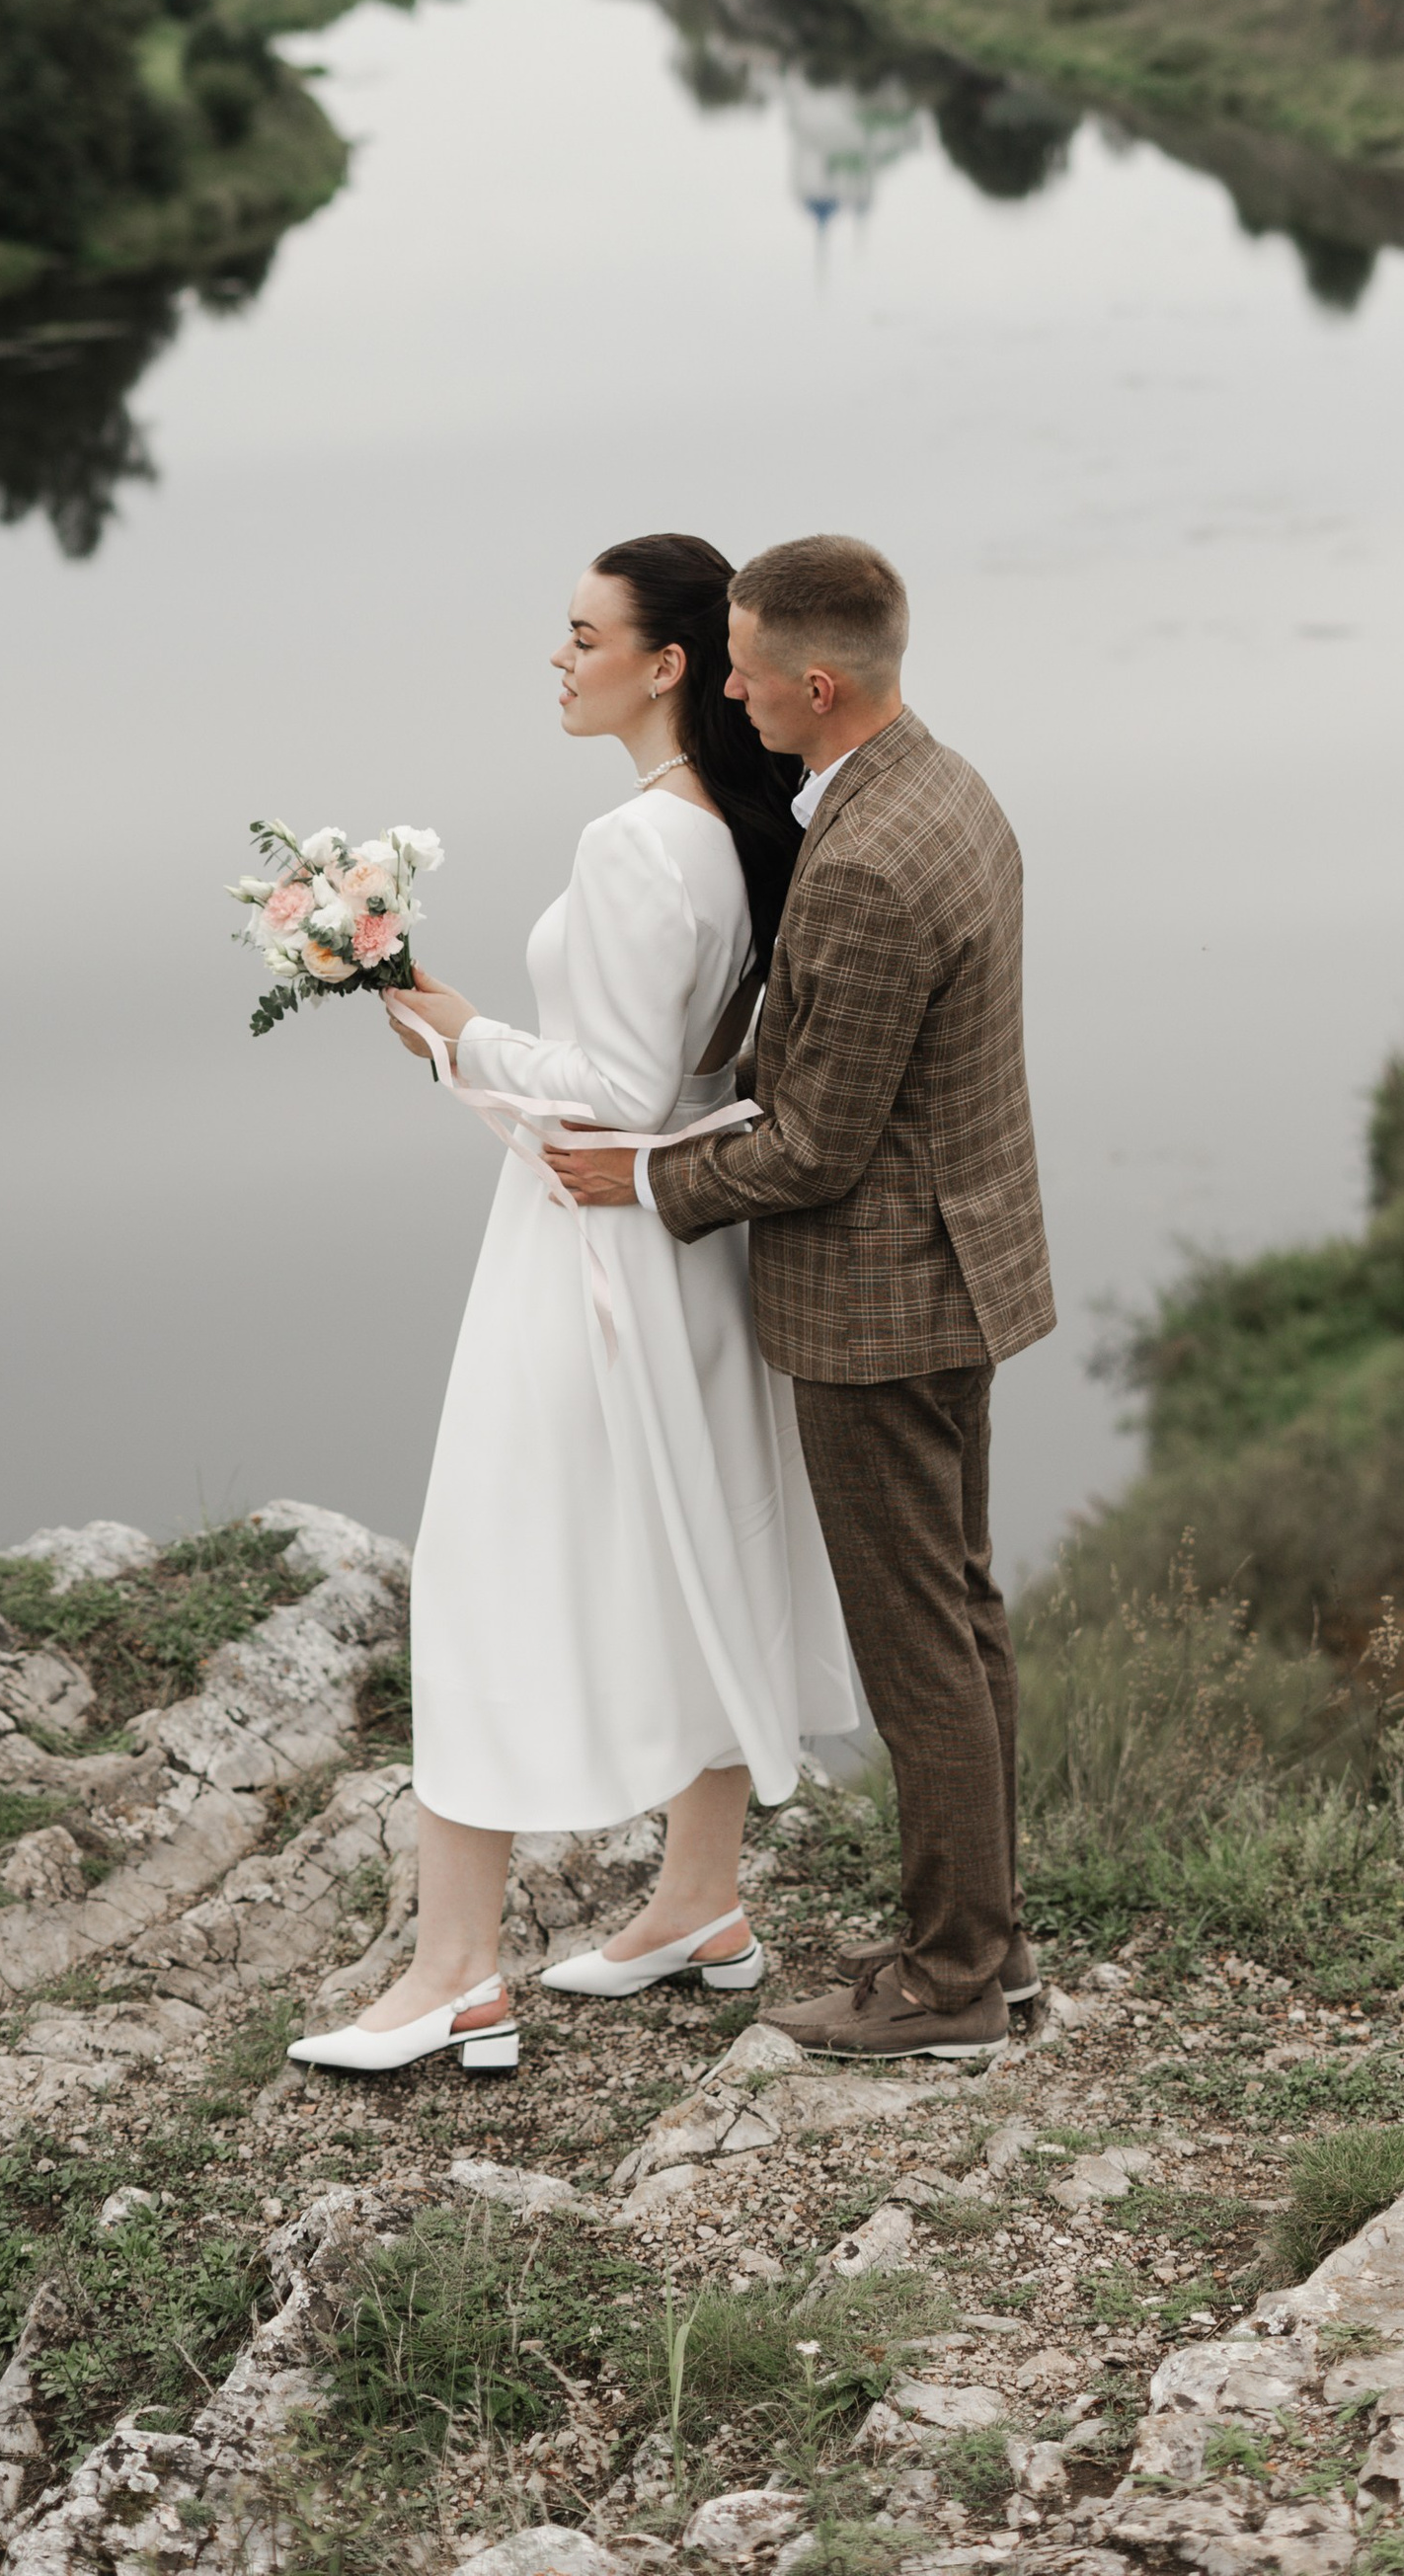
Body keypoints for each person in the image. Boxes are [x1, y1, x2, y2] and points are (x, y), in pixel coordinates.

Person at [286, 531, 856, 2079]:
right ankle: (699, 1900)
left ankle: (455, 1973)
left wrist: (460, 1037)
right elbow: (686, 1075)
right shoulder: (752, 826)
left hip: (592, 1248)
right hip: (690, 1248)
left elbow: (606, 1089)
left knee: (482, 1562)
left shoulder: (637, 844)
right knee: (699, 1542)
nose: (559, 655)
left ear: (665, 665)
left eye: (582, 632)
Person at [547, 533, 1054, 2059]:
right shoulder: (941, 789)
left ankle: (953, 1982)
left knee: (920, 1649)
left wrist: (640, 1180)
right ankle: (993, 1949)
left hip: (883, 1306)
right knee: (960, 1622)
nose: (735, 699)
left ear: (815, 683)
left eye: (751, 674)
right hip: (963, 1270)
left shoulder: (873, 865)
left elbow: (821, 1146)